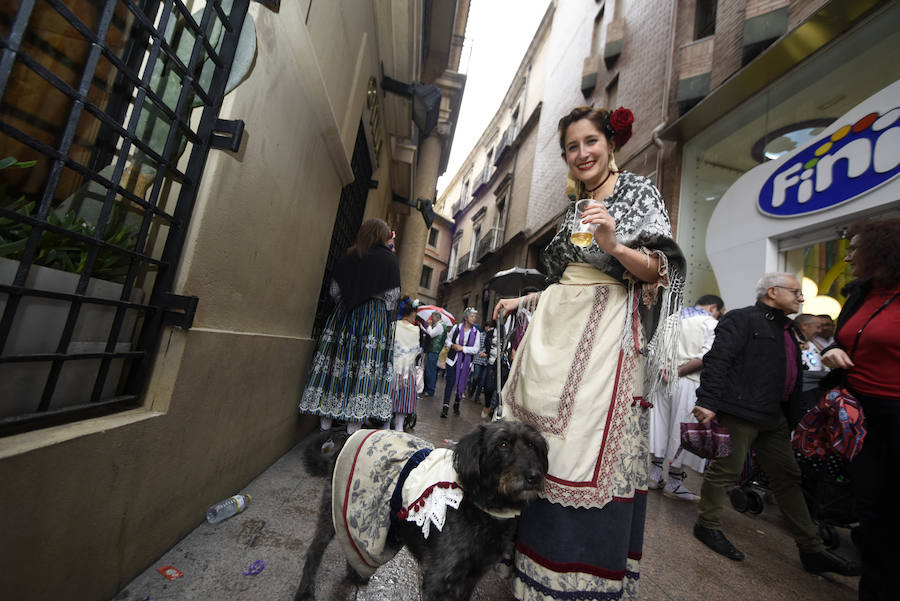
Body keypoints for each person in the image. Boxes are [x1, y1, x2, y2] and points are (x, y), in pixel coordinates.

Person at [493, 105, 685, 600]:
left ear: (610, 143)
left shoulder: (638, 192)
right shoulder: (575, 206)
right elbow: (567, 280)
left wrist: (615, 244)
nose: (582, 154)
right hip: (556, 334)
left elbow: (660, 270)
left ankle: (573, 576)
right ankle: (522, 553)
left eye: (590, 142)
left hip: (605, 343)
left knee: (584, 449)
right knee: (540, 443)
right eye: (572, 147)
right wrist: (526, 298)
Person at [691, 272, 859, 577]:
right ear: (772, 291)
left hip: (775, 417)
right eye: (795, 292)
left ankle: (812, 549)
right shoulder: (743, 319)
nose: (801, 297)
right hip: (741, 410)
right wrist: (708, 400)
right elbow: (718, 359)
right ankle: (708, 525)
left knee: (788, 477)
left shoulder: (789, 328)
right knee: (725, 470)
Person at [820, 219, 900, 601]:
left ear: (882, 250)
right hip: (859, 413)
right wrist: (830, 350)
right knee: (871, 511)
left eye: (855, 248)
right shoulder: (860, 292)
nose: (848, 257)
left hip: (895, 413)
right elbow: (840, 337)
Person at [298, 218, 400, 437]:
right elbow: (392, 299)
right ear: (383, 236)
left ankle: (325, 427)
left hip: (344, 318)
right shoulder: (389, 260)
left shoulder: (349, 256)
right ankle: (353, 431)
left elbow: (335, 292)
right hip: (373, 321)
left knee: (337, 365)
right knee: (364, 369)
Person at [648, 294, 724, 501]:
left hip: (663, 380)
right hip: (689, 382)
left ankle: (654, 475)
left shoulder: (672, 318)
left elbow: (654, 347)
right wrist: (678, 372)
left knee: (660, 426)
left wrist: (665, 370)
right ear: (714, 308)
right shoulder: (711, 323)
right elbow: (707, 355)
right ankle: (674, 482)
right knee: (682, 432)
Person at [441, 307, 481, 418]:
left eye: (475, 317)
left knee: (461, 383)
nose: (474, 318)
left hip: (465, 362)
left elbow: (476, 349)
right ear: (466, 317)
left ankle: (457, 403)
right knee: (450, 382)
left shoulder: (476, 333)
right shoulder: (457, 328)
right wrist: (452, 345)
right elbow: (447, 340)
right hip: (452, 360)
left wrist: (462, 348)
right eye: (472, 316)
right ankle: (445, 406)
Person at [390, 296, 421, 432]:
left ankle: (386, 423)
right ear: (413, 313)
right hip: (407, 367)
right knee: (405, 395)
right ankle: (399, 425)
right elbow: (416, 349)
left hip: (393, 365)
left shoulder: (393, 325)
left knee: (390, 394)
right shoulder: (415, 330)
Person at [422, 312, 446, 397]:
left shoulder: (439, 325)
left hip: (434, 350)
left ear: (437, 317)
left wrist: (429, 326)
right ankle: (429, 389)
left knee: (430, 370)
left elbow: (431, 334)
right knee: (431, 370)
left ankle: (430, 390)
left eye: (432, 317)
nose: (431, 319)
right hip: (433, 350)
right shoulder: (440, 325)